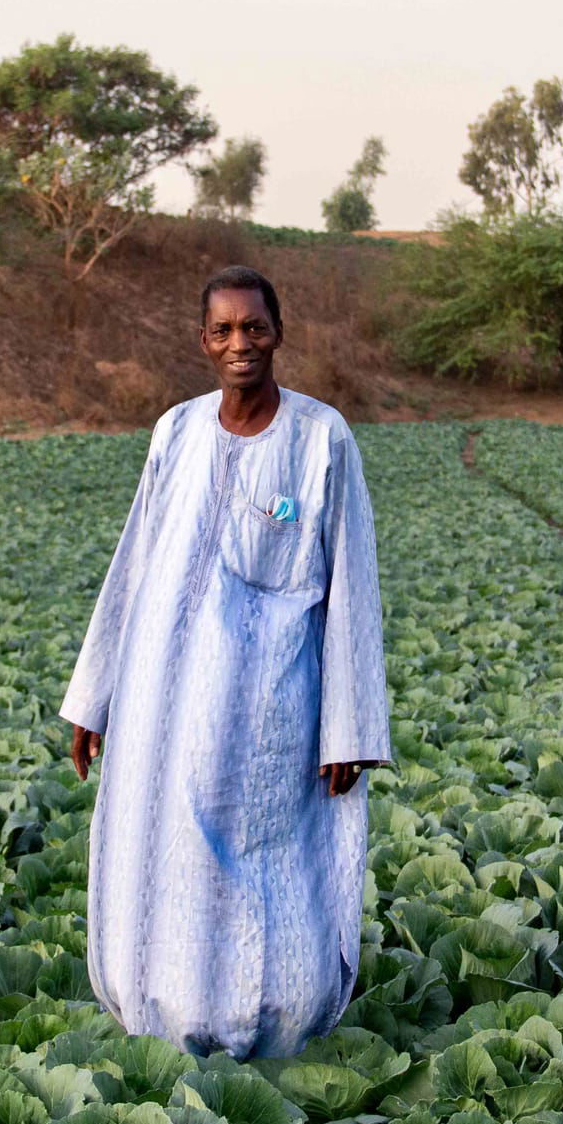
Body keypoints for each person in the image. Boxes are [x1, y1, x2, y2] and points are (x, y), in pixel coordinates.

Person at [60, 264, 391, 1060]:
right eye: (223, 330)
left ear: (278, 332)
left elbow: (352, 585)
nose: (239, 343)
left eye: (254, 327)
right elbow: (133, 562)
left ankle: (272, 1022)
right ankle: (166, 1015)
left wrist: (348, 727)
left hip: (270, 714)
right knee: (164, 858)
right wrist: (93, 696)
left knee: (267, 865)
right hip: (158, 709)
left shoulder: (320, 439)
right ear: (203, 340)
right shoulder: (175, 432)